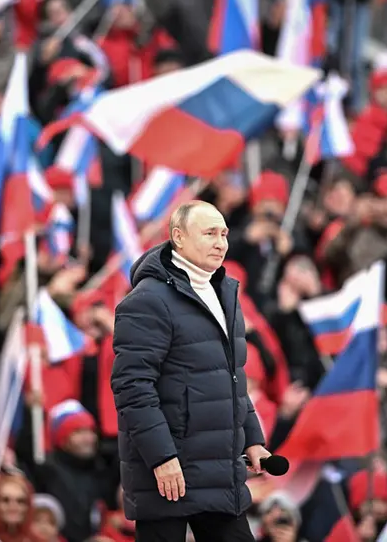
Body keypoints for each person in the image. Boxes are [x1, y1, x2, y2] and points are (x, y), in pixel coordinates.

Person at [111, 200, 270, 541]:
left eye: (224, 234)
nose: (220, 243)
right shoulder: (147, 300)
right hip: (168, 474)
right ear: (178, 237)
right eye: (210, 233)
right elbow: (132, 386)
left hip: (219, 470)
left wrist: (253, 438)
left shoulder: (226, 292)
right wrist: (161, 457)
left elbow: (231, 378)